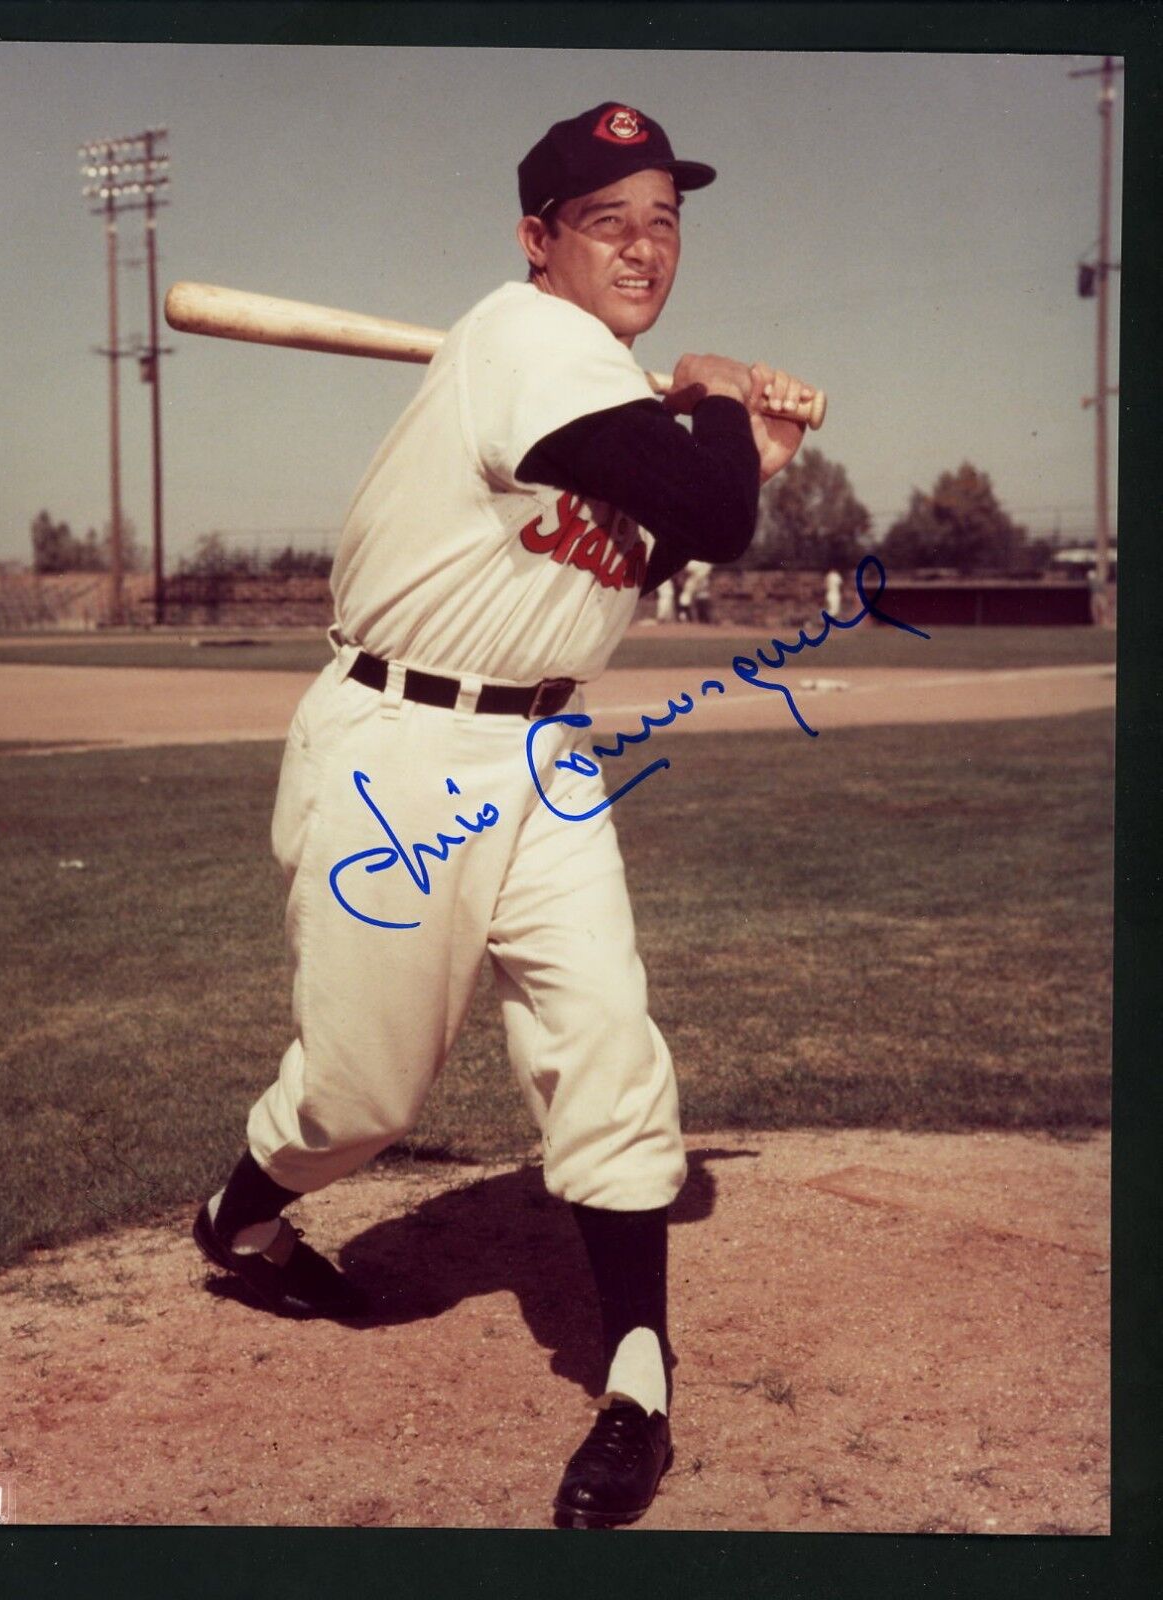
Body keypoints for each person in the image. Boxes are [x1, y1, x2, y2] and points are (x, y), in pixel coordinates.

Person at [194, 101, 811, 1529]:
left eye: (664, 219)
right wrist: (714, 394)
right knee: (361, 1098)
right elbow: (704, 514)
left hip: (541, 757)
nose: (646, 245)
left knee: (606, 1040)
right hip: (395, 749)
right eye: (610, 220)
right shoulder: (528, 340)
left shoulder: (584, 386)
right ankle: (245, 1210)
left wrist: (738, 455)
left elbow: (671, 528)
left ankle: (637, 1383)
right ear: (539, 241)